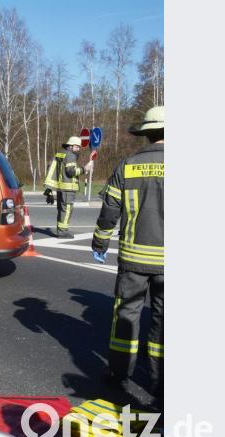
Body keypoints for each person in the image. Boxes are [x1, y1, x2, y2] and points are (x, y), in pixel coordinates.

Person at [92, 106, 164, 401]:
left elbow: (110, 210)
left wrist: (100, 243)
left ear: (146, 134)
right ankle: (161, 382)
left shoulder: (128, 166)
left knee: (126, 317)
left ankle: (119, 375)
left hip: (134, 260)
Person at [44, 136, 93, 238]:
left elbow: (50, 166)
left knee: (61, 209)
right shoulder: (70, 155)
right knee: (67, 210)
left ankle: (60, 230)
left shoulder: (60, 154)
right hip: (68, 188)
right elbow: (71, 171)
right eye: (77, 147)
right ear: (71, 146)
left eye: (79, 147)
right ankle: (62, 232)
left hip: (61, 188)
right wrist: (85, 169)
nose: (78, 149)